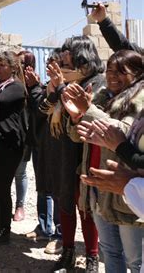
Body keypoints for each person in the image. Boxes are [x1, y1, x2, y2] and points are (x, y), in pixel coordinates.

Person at [63, 49, 143, 273]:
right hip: (99, 187)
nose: (112, 76)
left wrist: (88, 110)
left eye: (120, 72)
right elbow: (77, 136)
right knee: (109, 252)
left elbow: (124, 133)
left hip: (126, 191)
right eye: (109, 71)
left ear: (137, 74)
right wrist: (77, 116)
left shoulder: (140, 98)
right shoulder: (103, 95)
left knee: (136, 260)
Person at [43, 35, 105, 272]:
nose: (65, 69)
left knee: (86, 204)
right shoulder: (65, 83)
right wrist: (55, 90)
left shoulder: (98, 83)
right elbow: (43, 109)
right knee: (65, 200)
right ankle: (67, 252)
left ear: (84, 61)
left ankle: (92, 257)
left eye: (68, 64)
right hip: (63, 152)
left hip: (86, 154)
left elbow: (87, 114)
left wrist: (61, 88)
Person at [24, 49, 62, 255]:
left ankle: (59, 233)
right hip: (42, 144)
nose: (50, 67)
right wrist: (35, 88)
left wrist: (36, 89)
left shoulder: (67, 89)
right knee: (43, 187)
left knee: (57, 191)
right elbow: (38, 111)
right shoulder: (45, 87)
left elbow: (45, 108)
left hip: (58, 147)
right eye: (48, 63)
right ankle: (43, 227)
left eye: (54, 62)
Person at [0, 50, 27, 246]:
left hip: (10, 145)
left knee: (2, 188)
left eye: (2, 65)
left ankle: (5, 230)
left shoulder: (16, 87)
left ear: (12, 68)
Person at [13, 50, 36, 222]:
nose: (18, 65)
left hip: (24, 135)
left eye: (22, 62)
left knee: (20, 172)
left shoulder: (33, 85)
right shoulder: (9, 82)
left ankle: (19, 206)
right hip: (7, 133)